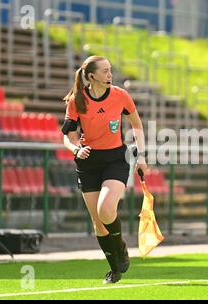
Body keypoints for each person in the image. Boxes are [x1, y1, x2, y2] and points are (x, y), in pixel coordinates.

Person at [61, 55, 147, 284]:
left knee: (106, 210)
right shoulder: (76, 100)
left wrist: (142, 156)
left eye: (110, 70)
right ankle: (114, 269)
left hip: (114, 159)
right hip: (87, 163)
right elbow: (67, 137)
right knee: (98, 222)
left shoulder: (120, 96)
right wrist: (75, 150)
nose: (110, 75)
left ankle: (120, 247)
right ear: (92, 76)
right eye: (105, 71)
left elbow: (137, 125)